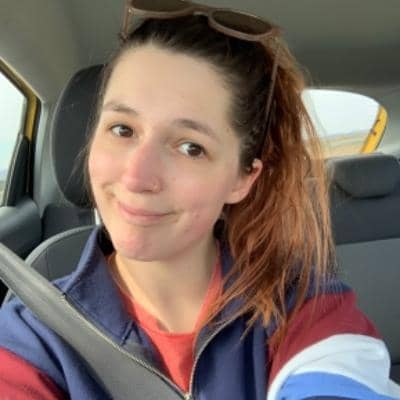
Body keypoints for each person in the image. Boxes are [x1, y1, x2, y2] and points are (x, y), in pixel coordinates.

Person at [0, 1, 399, 399]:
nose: (137, 177)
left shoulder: (304, 310)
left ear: (242, 179)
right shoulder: (31, 335)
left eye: (191, 147)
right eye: (122, 129)